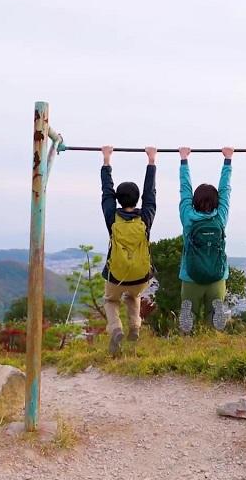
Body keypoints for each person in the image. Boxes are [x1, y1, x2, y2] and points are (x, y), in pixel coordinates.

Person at [100, 145, 157, 355]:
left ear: (117, 199)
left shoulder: (111, 216)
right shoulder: (146, 217)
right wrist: (151, 161)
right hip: (141, 277)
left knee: (110, 300)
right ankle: (135, 326)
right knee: (133, 296)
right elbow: (150, 193)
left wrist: (107, 160)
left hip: (116, 276)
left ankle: (116, 329)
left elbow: (106, 191)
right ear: (137, 199)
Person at [177, 146, 233, 333]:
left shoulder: (188, 218)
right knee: (214, 313)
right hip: (217, 276)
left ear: (194, 201)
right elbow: (225, 190)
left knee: (189, 310)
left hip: (191, 275)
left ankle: (187, 331)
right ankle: (214, 337)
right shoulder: (220, 218)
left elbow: (184, 189)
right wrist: (228, 160)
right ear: (217, 202)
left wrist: (184, 160)